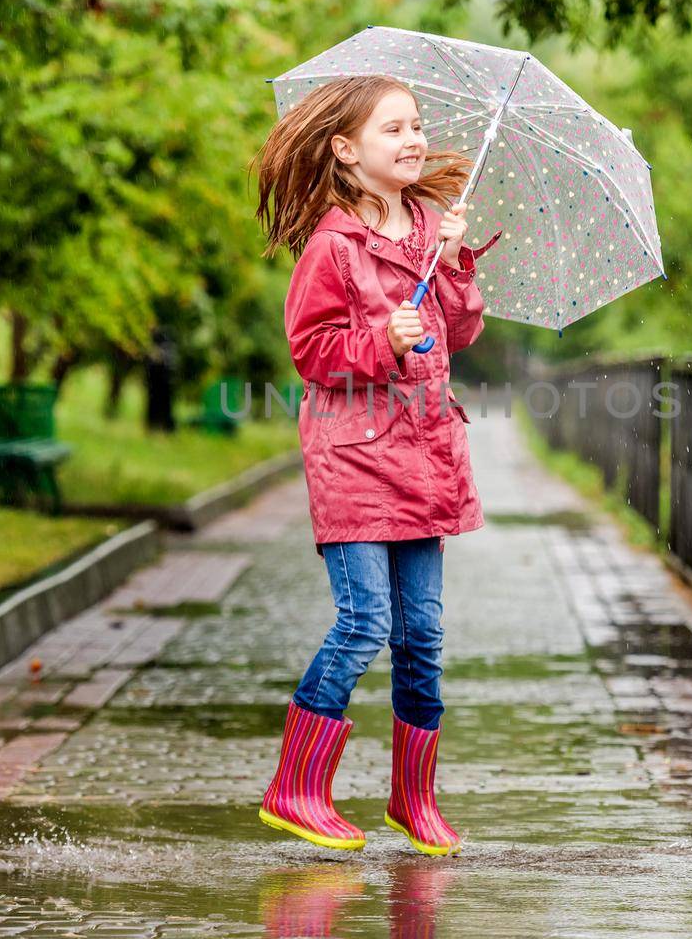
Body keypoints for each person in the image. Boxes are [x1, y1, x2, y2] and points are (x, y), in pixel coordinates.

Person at [250, 74, 503, 855]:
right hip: (355, 459)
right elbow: (312, 354)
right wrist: (378, 341)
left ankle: (412, 798)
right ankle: (296, 786)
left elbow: (456, 335)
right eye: (393, 129)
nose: (414, 140)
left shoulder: (431, 227)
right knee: (366, 623)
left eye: (417, 125)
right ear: (346, 149)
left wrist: (455, 264)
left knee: (421, 635)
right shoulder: (332, 245)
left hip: (423, 458)